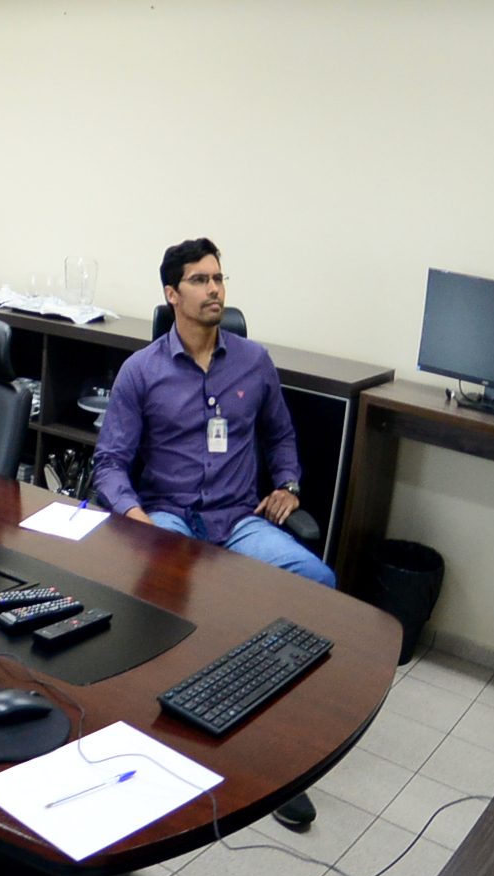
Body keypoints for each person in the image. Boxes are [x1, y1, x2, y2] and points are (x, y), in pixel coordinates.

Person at [90, 238, 332, 829]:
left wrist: (289, 484)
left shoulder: (254, 361)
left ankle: (277, 743)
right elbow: (109, 464)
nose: (214, 289)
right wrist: (139, 522)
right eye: (199, 280)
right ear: (172, 294)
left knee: (317, 581)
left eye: (218, 278)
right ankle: (168, 737)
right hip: (169, 516)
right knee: (178, 592)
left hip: (238, 518)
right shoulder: (141, 371)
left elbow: (280, 435)